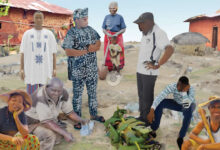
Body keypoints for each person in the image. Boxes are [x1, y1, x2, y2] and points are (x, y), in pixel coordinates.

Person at [62, 8, 105, 130]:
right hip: (78, 70)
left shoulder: (91, 30)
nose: (86, 19)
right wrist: (85, 50)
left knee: (92, 93)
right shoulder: (71, 32)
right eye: (83, 18)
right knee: (77, 95)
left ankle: (94, 114)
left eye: (87, 18)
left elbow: (98, 43)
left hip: (91, 68)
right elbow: (68, 51)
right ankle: (77, 119)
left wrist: (94, 47)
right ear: (76, 20)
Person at [133, 12, 174, 126]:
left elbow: (169, 49)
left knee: (147, 98)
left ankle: (149, 123)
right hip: (140, 70)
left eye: (141, 24)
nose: (139, 27)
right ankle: (142, 117)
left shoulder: (159, 33)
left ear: (149, 22)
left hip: (149, 73)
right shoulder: (146, 33)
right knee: (141, 96)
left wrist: (158, 64)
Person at [25, 77, 87, 150]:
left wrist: (82, 120)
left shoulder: (64, 93)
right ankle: (31, 140)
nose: (56, 93)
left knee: (59, 136)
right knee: (50, 136)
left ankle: (36, 140)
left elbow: (70, 113)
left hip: (47, 120)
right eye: (53, 90)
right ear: (47, 87)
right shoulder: (40, 97)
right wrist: (65, 133)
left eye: (59, 91)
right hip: (31, 124)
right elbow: (47, 122)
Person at [147, 76, 196, 149]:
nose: (178, 87)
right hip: (176, 103)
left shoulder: (191, 90)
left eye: (181, 86)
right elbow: (160, 96)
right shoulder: (172, 86)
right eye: (178, 85)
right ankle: (153, 129)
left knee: (188, 113)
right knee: (161, 103)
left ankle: (180, 138)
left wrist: (184, 92)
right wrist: (152, 110)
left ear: (186, 86)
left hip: (188, 105)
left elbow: (186, 105)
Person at [20, 11, 57, 95]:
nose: (39, 19)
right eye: (36, 17)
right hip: (31, 69)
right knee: (31, 96)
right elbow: (22, 52)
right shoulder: (27, 34)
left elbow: (53, 53)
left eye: (40, 17)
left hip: (45, 69)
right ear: (33, 19)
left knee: (44, 96)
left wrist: (54, 68)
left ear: (43, 19)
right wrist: (22, 69)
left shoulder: (49, 34)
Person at [102, 1, 126, 71]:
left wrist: (117, 33)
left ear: (116, 8)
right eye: (110, 8)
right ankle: (109, 66)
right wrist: (107, 33)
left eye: (113, 8)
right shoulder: (106, 17)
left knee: (119, 51)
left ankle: (119, 66)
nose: (112, 9)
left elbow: (124, 29)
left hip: (117, 36)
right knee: (108, 52)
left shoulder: (120, 17)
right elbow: (103, 28)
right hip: (108, 36)